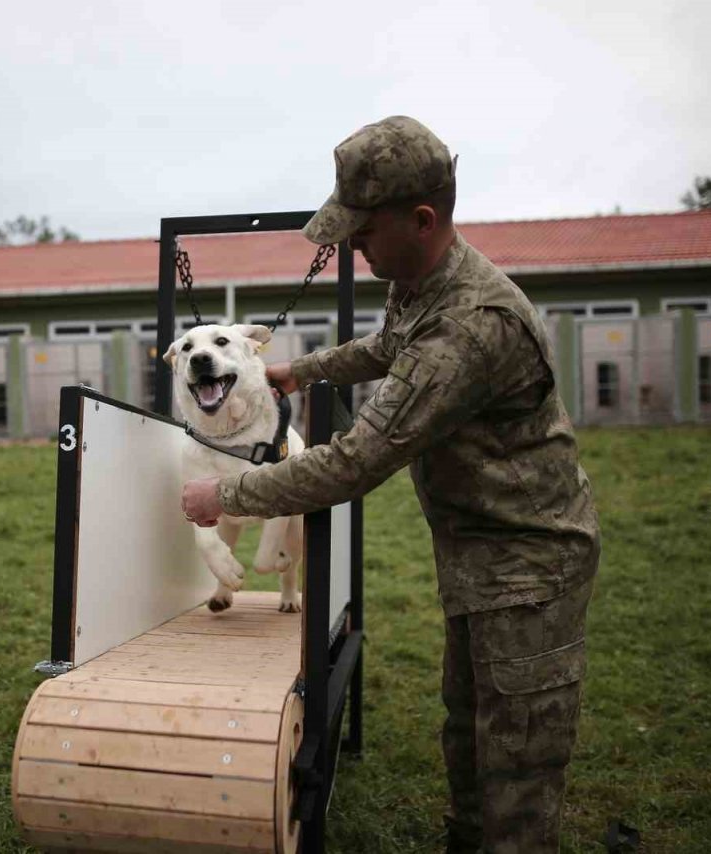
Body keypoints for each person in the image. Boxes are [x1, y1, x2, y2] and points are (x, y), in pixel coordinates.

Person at [180, 115, 600, 854]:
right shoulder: (423, 283)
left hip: (526, 563)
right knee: (468, 727)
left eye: (362, 231)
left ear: (423, 218)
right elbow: (384, 346)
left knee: (517, 762)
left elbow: (353, 462)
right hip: (476, 551)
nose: (351, 246)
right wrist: (299, 369)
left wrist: (225, 498)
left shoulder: (469, 327)